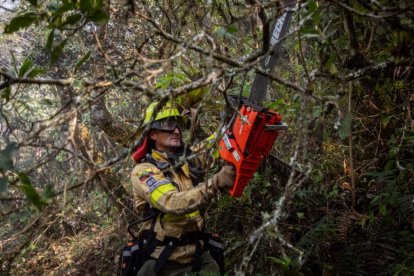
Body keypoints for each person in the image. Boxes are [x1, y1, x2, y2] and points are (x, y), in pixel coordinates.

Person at [129, 100, 236, 275]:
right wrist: (215, 182)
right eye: (169, 125)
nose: (176, 131)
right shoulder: (144, 172)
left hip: (199, 258)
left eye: (178, 125)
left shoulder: (187, 161)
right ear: (153, 134)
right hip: (163, 264)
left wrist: (231, 123)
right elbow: (171, 203)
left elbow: (216, 144)